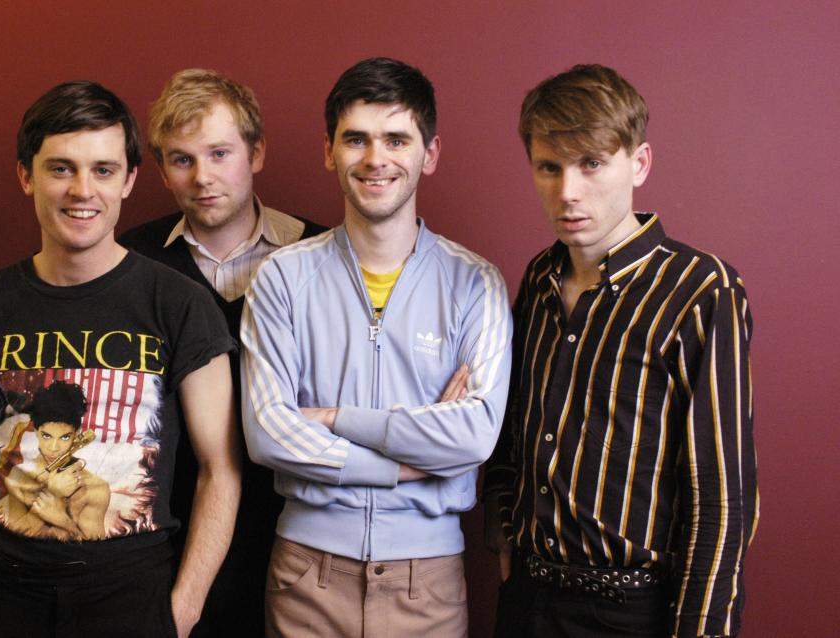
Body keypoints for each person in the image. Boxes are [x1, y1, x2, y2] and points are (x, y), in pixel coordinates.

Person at [0, 80, 241, 638]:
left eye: (102, 169)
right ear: (26, 175)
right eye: (60, 168)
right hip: (2, 598)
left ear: (129, 179)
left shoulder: (179, 306)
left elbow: (220, 469)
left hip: (134, 597)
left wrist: (183, 608)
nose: (82, 190)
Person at [484, 64, 758, 638]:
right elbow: (512, 424)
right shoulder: (538, 277)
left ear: (639, 163)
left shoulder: (701, 288)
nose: (568, 191)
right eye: (549, 168)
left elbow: (721, 493)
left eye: (592, 164)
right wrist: (504, 525)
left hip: (630, 611)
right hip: (527, 598)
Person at [241, 57, 512, 637]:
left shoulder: (475, 283)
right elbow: (267, 432)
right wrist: (408, 466)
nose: (375, 158)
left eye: (396, 138)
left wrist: (336, 418)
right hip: (305, 575)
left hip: (429, 582)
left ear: (429, 153)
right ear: (328, 151)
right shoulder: (281, 279)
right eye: (356, 139)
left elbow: (474, 436)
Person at [119, 68, 325, 637]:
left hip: (303, 528)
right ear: (159, 169)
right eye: (182, 159)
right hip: (172, 532)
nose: (203, 177)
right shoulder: (130, 264)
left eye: (219, 153)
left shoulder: (325, 253)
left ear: (257, 153)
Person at [0, 381, 109, 541]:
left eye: (65, 437)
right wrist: (54, 494)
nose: (54, 448)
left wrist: (61, 519)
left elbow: (96, 552)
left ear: (76, 434)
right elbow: (15, 538)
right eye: (47, 436)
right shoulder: (20, 477)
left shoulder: (96, 489)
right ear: (36, 432)